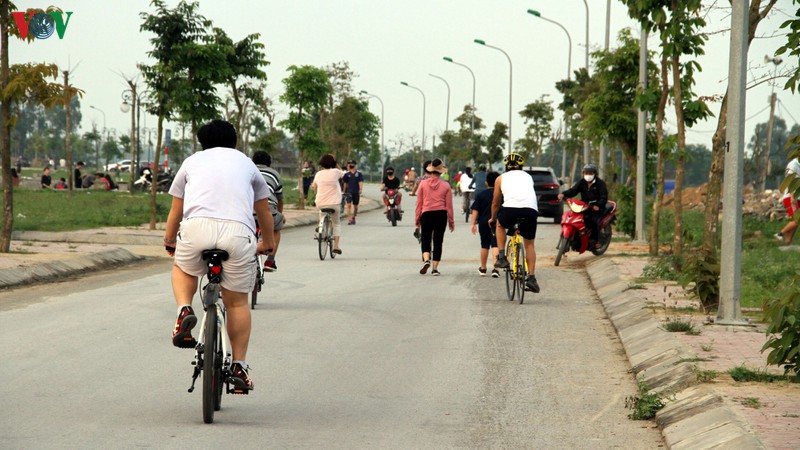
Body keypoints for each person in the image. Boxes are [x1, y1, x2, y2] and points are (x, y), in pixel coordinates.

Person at [163, 119, 275, 393]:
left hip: (196, 228)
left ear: (202, 142)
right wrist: (268, 243)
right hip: (238, 233)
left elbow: (176, 211)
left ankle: (184, 310)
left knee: (185, 269)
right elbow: (263, 211)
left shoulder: (191, 162)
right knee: (236, 303)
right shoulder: (247, 164)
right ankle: (239, 366)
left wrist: (169, 241)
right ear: (235, 141)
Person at [491, 153, 541, 293]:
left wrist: (493, 218)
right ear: (521, 166)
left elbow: (495, 202)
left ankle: (501, 256)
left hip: (510, 210)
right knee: (529, 244)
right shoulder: (528, 176)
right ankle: (531, 278)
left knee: (500, 225)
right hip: (530, 210)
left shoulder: (500, 178)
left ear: (506, 167)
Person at [415, 158, 455, 276]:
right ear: (441, 171)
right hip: (440, 215)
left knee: (425, 239)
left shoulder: (422, 184)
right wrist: (451, 221)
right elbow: (449, 206)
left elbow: (419, 204)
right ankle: (435, 269)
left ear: (431, 170)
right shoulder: (446, 185)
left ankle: (426, 258)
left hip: (426, 214)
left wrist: (417, 219)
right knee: (438, 241)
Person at [557, 163, 608, 248]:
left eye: (590, 173)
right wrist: (563, 194)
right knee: (577, 219)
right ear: (583, 173)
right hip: (584, 206)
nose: (588, 175)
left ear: (595, 174)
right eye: (586, 173)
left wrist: (598, 205)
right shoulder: (582, 182)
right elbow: (573, 191)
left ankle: (595, 241)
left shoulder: (600, 184)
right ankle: (577, 238)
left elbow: (604, 197)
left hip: (596, 208)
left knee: (593, 221)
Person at [252, 150, 284, 271]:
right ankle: (270, 260)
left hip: (246, 208)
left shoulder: (248, 171)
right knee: (276, 228)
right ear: (269, 163)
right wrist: (280, 214)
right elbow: (280, 200)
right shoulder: (275, 174)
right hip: (268, 208)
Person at [311, 154, 344, 254]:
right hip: (334, 203)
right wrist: (336, 164)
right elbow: (344, 174)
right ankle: (336, 246)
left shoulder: (318, 174)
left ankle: (320, 225)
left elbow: (314, 186)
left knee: (321, 210)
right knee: (336, 223)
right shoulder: (336, 172)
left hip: (321, 202)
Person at [471, 171, 501, 278]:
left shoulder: (481, 195)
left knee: (484, 245)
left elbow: (475, 210)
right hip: (497, 223)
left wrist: (473, 223)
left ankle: (483, 268)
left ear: (486, 183)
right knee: (496, 245)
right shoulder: (501, 195)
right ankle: (495, 269)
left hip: (483, 223)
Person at [775, 157, 800, 244]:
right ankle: (780, 234)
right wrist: (793, 196)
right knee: (797, 219)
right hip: (791, 196)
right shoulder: (794, 164)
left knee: (794, 221)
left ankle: (788, 241)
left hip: (797, 197)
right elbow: (790, 180)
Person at [341, 160, 364, 225]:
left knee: (355, 207)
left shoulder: (359, 174)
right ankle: (349, 219)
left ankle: (353, 217)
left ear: (355, 164)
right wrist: (344, 191)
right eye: (350, 163)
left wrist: (360, 189)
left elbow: (361, 181)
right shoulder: (346, 174)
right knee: (348, 205)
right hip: (349, 192)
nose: (351, 164)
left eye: (352, 163)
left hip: (356, 191)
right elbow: (345, 183)